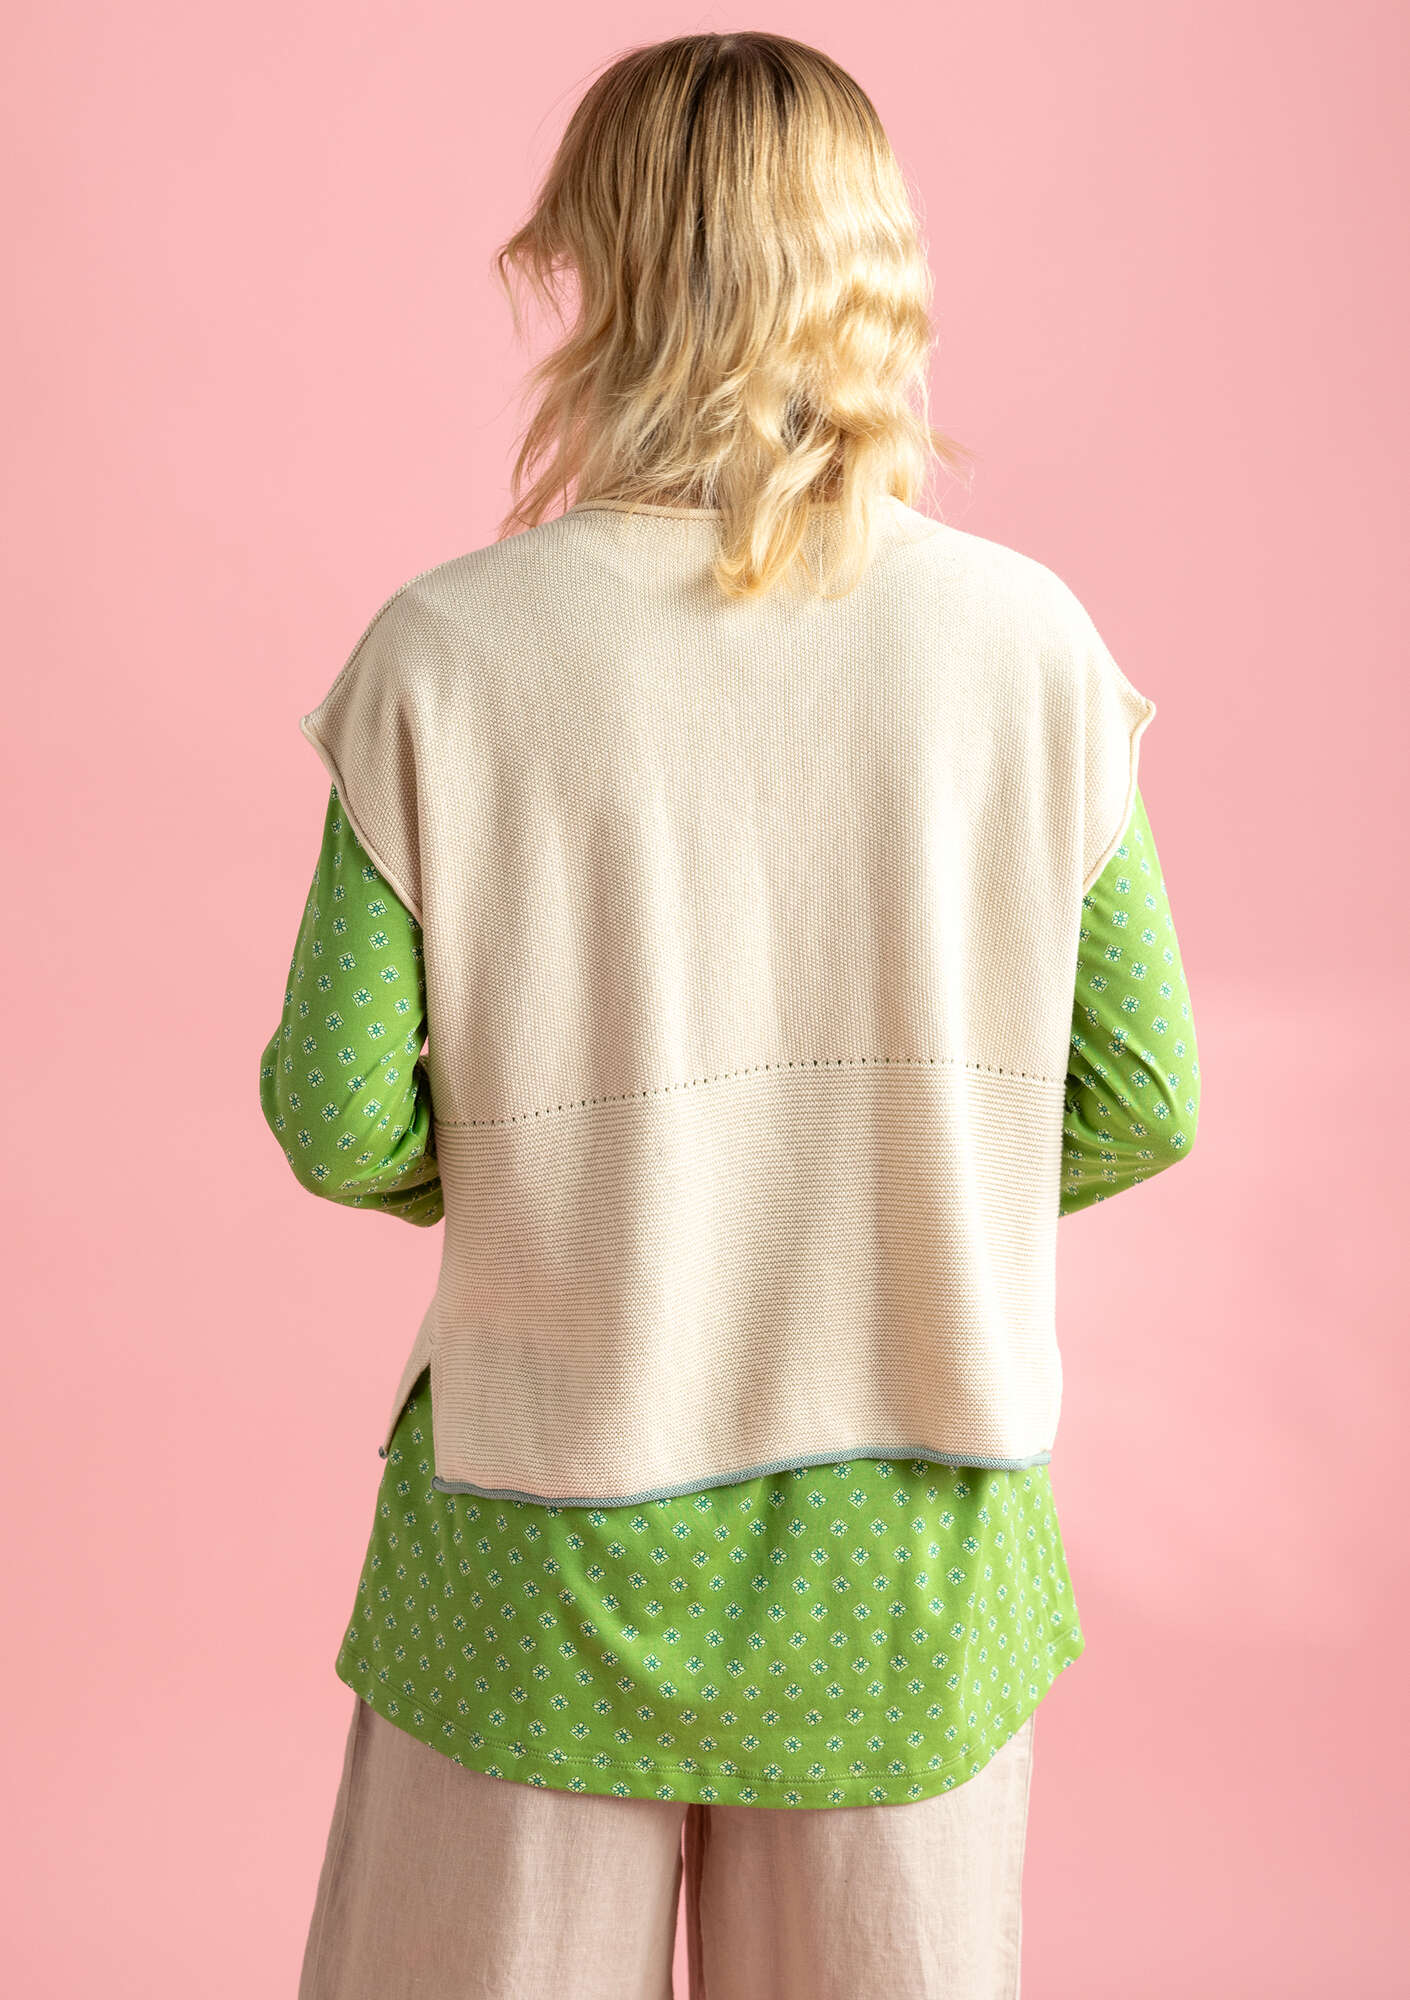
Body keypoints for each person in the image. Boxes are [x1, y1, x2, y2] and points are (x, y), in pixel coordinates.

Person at [259, 30, 1200, 2000]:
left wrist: (572, 1172)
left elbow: (340, 1116)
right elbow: (1139, 1093)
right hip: (911, 1546)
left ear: (603, 269)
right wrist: (885, 1182)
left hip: (538, 1525)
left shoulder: (447, 654)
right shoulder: (1032, 650)